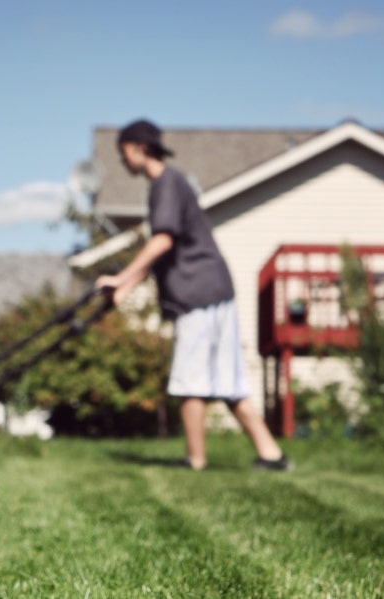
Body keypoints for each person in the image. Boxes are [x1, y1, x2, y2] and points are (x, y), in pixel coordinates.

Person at [96, 119, 291, 472]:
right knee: (228, 381)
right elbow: (163, 253)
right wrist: (125, 288)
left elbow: (162, 241)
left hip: (199, 293)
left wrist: (121, 276)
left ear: (139, 148)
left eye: (123, 151)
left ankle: (195, 461)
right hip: (211, 290)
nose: (122, 161)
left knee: (190, 379)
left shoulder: (165, 184)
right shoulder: (172, 183)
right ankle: (272, 455)